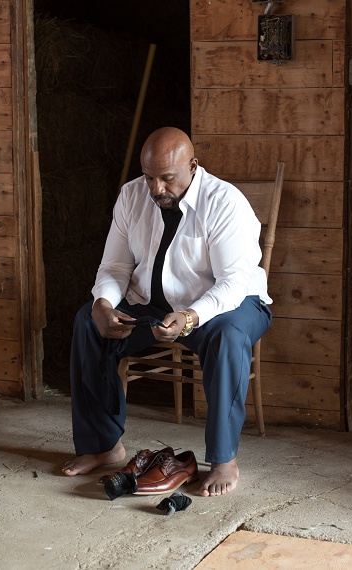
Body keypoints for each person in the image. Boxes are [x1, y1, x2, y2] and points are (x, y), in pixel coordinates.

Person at [59, 127, 273, 497]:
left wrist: (191, 317)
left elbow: (233, 283)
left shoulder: (224, 202)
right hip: (154, 305)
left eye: (167, 178)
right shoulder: (131, 196)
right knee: (88, 322)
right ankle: (104, 445)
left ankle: (223, 460)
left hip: (227, 305)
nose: (156, 188)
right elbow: (115, 267)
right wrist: (104, 304)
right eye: (149, 178)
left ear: (192, 166)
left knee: (227, 336)